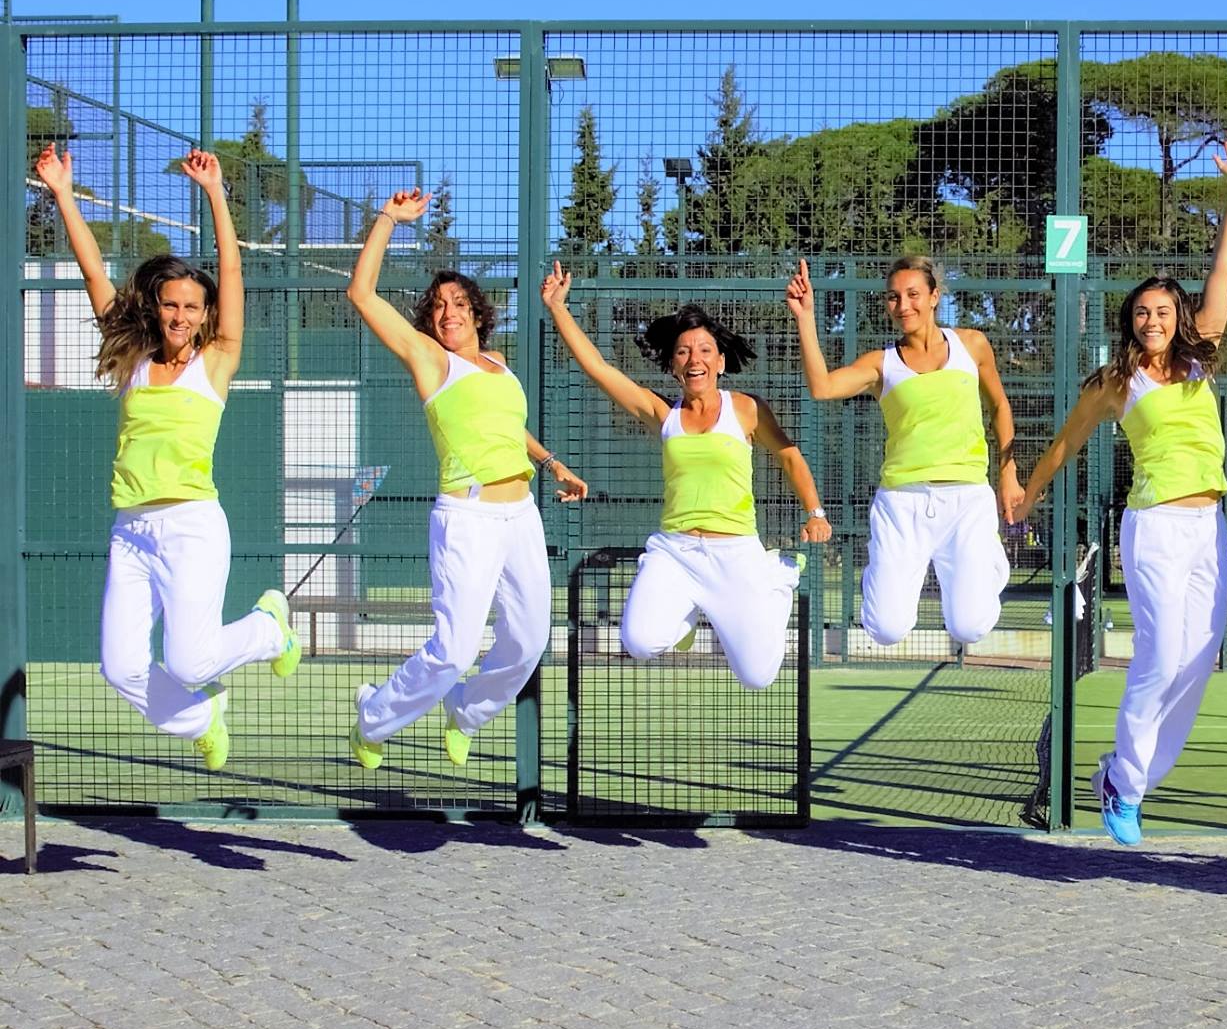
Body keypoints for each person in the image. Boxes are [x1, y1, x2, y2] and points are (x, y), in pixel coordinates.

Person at [1011, 137, 1227, 846]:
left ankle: (1125, 775)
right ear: (1131, 323)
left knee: (1198, 655)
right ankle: (1124, 785)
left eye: (1162, 310)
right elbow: (1063, 443)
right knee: (1158, 651)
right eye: (1141, 313)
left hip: (1210, 526)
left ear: (1178, 316)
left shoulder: (1202, 352)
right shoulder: (1118, 383)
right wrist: (1027, 495)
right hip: (1151, 525)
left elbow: (1224, 267)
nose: (1153, 320)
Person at [33, 144, 298, 771]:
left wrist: (215, 196)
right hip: (131, 530)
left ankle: (268, 630)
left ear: (204, 316)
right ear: (156, 306)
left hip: (191, 527)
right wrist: (64, 195)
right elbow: (95, 275)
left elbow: (231, 276)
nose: (179, 315)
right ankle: (201, 718)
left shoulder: (215, 364)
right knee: (120, 667)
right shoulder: (132, 361)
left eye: (191, 307)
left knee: (188, 660)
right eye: (170, 304)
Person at [344, 189, 586, 770]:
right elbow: (361, 293)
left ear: (477, 311)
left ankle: (466, 711)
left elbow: (509, 427)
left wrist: (553, 464)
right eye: (437, 308)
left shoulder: (500, 365)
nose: (447, 313)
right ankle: (373, 718)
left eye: (457, 304)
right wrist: (388, 220)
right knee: (453, 649)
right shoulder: (431, 361)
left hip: (521, 512)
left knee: (530, 640)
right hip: (467, 517)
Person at [541, 263, 828, 687]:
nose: (694, 358)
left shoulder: (745, 409)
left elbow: (789, 456)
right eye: (683, 352)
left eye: (705, 350)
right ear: (674, 367)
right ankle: (684, 620)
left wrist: (815, 512)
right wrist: (557, 308)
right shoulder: (663, 414)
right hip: (674, 551)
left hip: (736, 554)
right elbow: (599, 369)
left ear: (721, 362)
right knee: (639, 641)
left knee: (758, 676)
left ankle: (780, 574)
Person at [786, 254, 1019, 649]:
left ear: (934, 296)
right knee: (886, 630)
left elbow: (999, 405)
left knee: (969, 627)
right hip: (901, 503)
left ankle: (986, 560)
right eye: (893, 297)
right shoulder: (882, 364)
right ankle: (881, 569)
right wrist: (805, 318)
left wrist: (1008, 473)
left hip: (967, 500)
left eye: (913, 294)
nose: (903, 305)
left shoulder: (972, 345)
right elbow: (822, 387)